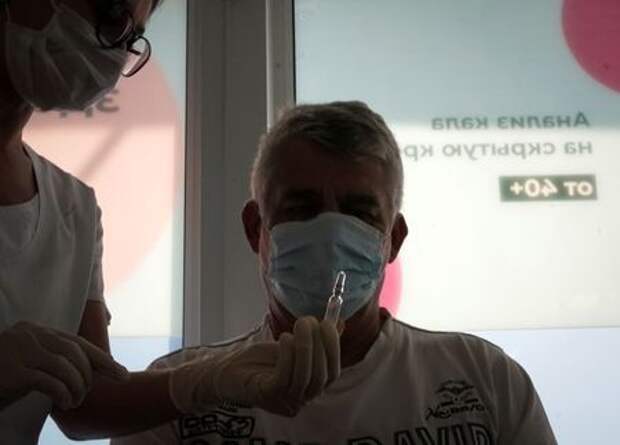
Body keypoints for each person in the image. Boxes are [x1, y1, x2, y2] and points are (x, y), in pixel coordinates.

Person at [114, 101, 558, 444]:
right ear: (256, 229)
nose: (330, 233)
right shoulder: (177, 396)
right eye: (301, 208)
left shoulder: (485, 381)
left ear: (393, 239)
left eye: (359, 213)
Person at [0, 1, 340, 442]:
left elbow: (84, 404)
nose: (114, 46)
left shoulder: (73, 208)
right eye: (109, 15)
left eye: (129, 36)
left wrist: (209, 379)